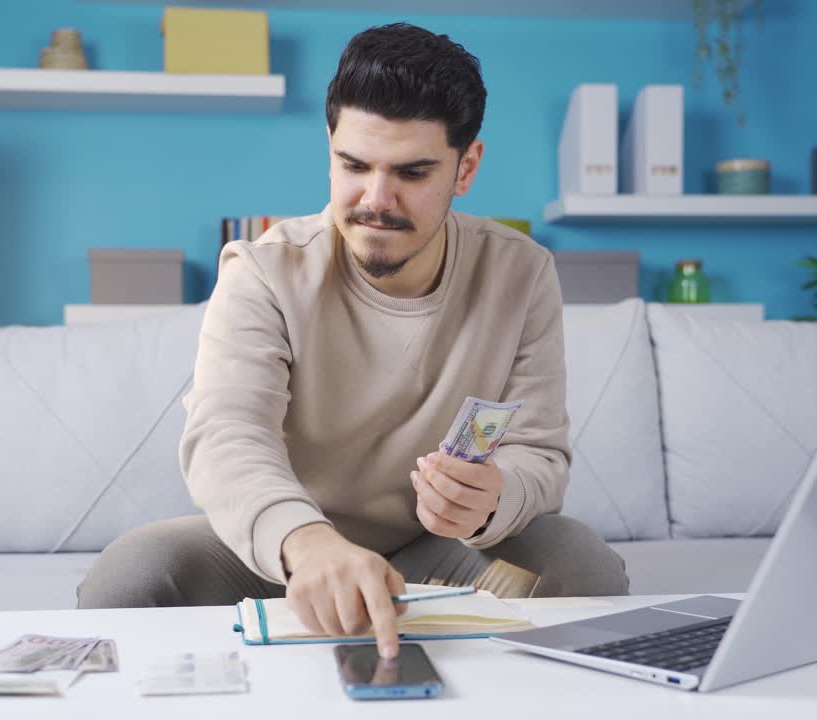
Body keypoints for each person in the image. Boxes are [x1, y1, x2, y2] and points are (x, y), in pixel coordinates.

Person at [78, 22, 630, 659]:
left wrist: (493, 500)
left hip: (439, 554)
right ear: (330, 149)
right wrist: (309, 544)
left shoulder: (521, 273)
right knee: (130, 576)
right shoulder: (264, 270)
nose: (376, 200)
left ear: (466, 167)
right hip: (292, 550)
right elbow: (227, 433)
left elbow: (539, 454)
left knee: (579, 561)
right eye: (354, 165)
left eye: (412, 172)